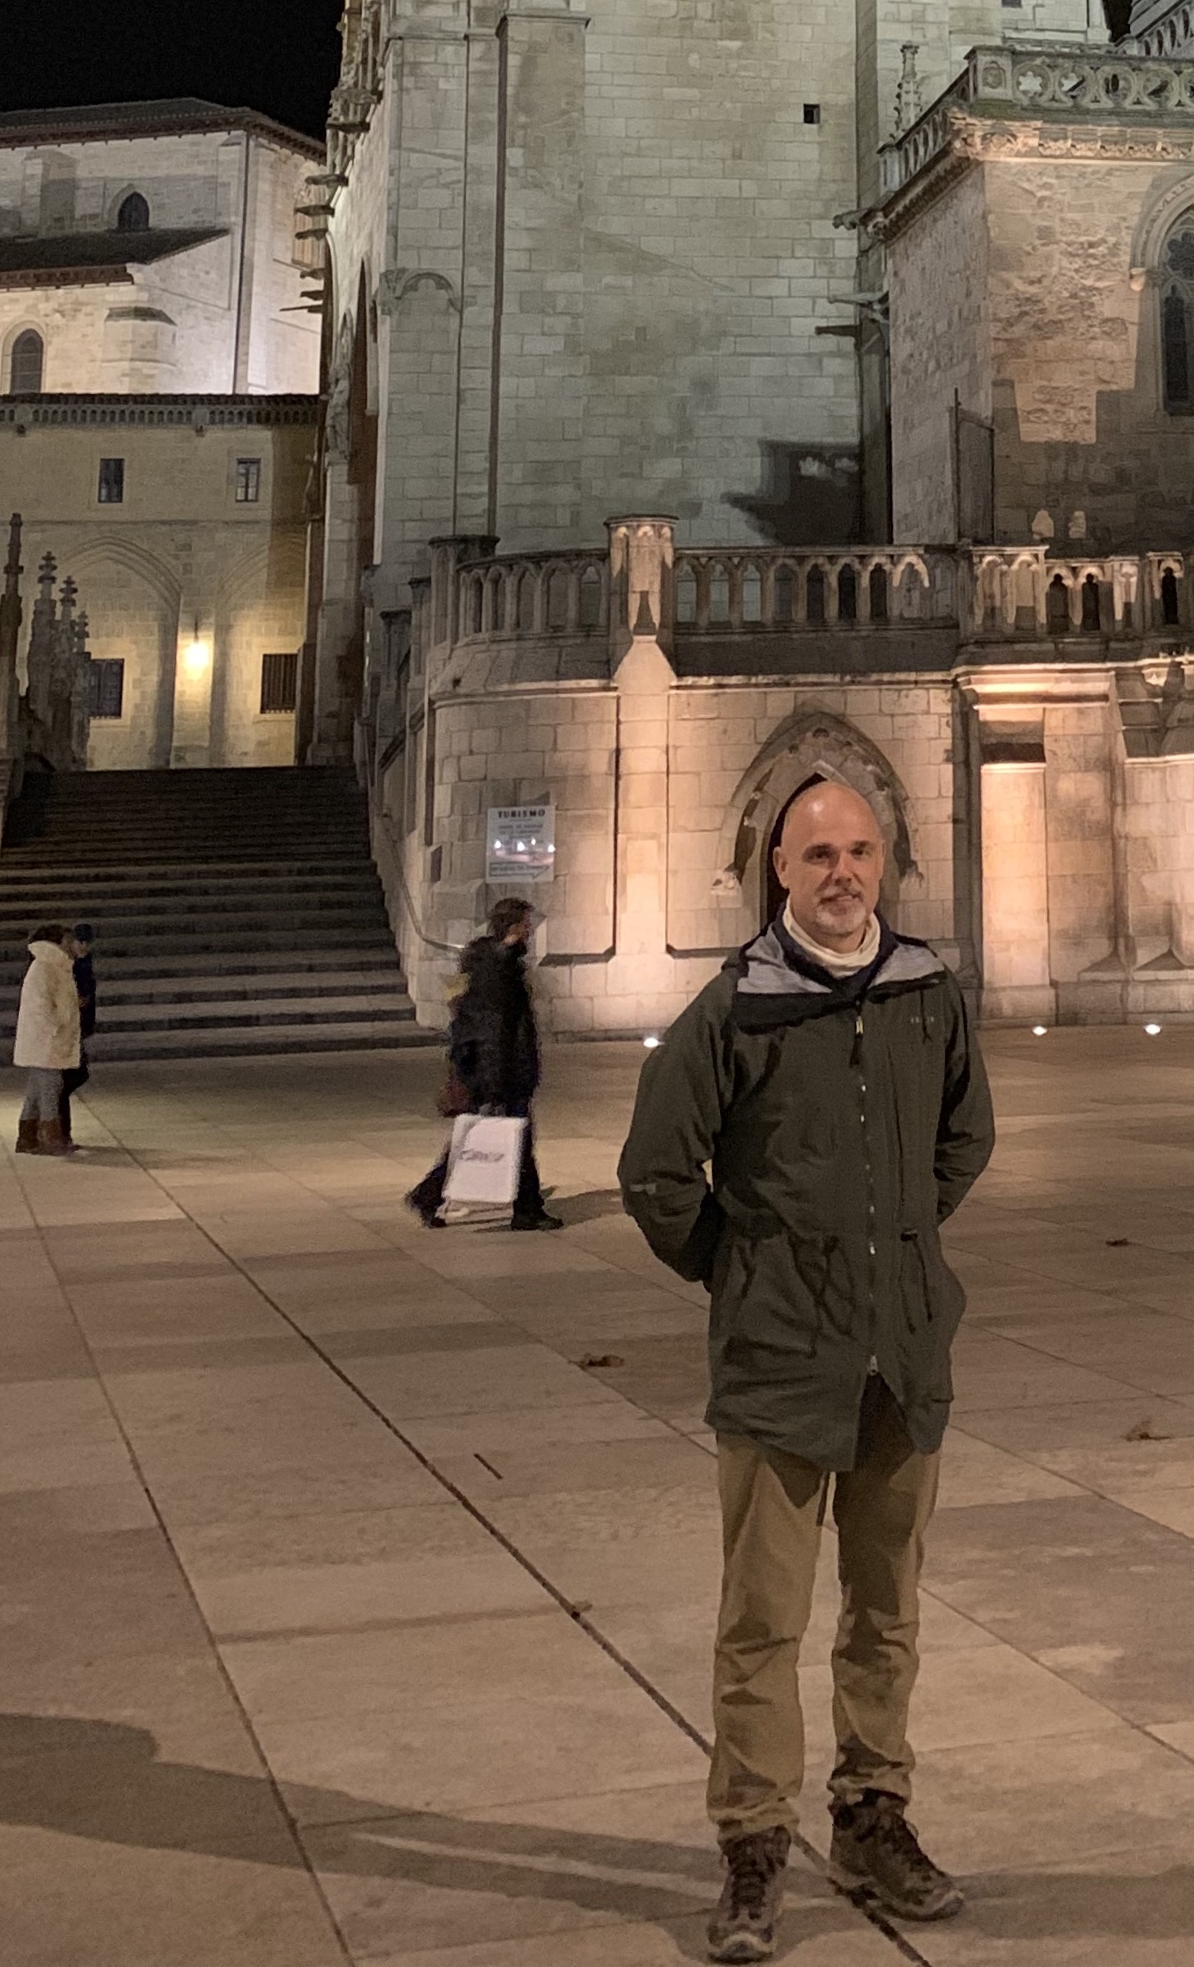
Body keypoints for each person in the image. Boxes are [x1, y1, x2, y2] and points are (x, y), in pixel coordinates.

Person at [620, 773, 994, 1965]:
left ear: (884, 861)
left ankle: (873, 1812)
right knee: (762, 1620)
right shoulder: (730, 1012)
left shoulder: (926, 992)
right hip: (780, 1363)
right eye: (817, 853)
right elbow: (655, 1175)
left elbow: (963, 1134)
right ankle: (751, 1841)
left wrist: (896, 1249)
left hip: (901, 1356)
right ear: (776, 868)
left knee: (885, 1610)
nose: (841, 873)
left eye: (861, 851)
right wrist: (750, 1271)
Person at [406, 897, 559, 1231]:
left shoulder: (494, 959)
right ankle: (522, 1209)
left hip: (496, 1068)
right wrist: (493, 1081)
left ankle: (524, 1208)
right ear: (515, 926)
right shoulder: (498, 967)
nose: (530, 930)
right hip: (501, 1071)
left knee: (490, 1137)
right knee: (502, 1137)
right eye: (526, 923)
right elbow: (494, 1027)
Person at [12, 927, 82, 1153]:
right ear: (57, 942)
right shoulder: (45, 967)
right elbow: (41, 1006)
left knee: (36, 1090)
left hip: (46, 1038)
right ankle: (49, 1138)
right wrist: (58, 1024)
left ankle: (27, 1137)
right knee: (51, 1088)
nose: (72, 944)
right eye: (68, 940)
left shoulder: (55, 966)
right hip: (46, 1039)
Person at [67, 922, 98, 1108]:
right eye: (81, 942)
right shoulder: (74, 963)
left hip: (82, 1015)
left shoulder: (84, 961)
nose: (84, 946)